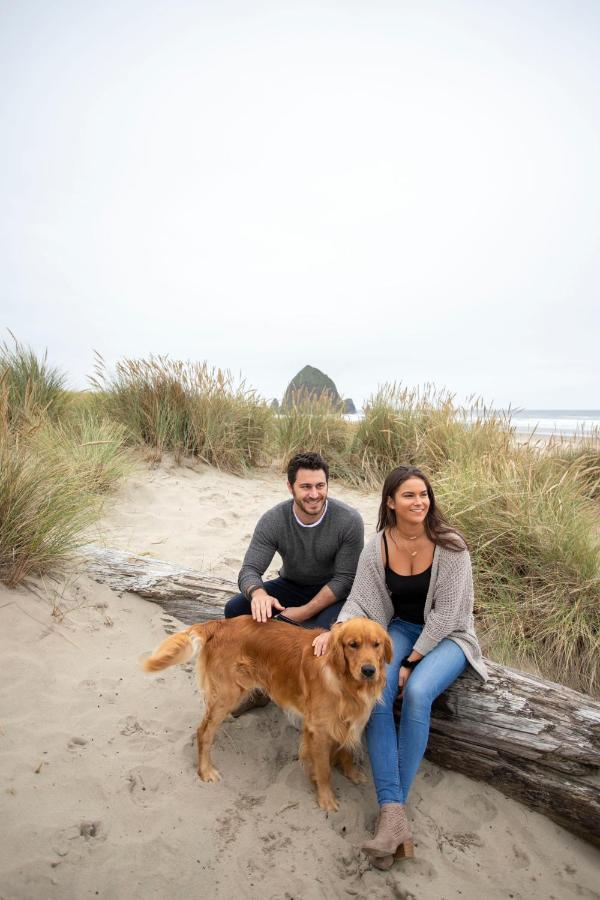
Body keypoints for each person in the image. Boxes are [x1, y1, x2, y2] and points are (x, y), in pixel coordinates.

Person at [313, 465, 488, 869]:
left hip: (449, 636)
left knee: (419, 693)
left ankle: (391, 816)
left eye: (424, 494)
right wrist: (335, 629)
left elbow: (448, 615)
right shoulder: (378, 546)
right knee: (376, 696)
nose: (419, 502)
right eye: (409, 495)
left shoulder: (452, 545)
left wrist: (410, 661)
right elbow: (360, 599)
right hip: (401, 628)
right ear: (390, 501)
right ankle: (396, 819)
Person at [224, 451, 364, 712]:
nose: (314, 494)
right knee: (234, 610)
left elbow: (346, 579)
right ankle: (258, 686)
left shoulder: (349, 521)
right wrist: (258, 594)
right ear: (290, 487)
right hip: (291, 584)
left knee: (322, 638)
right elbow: (250, 569)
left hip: (334, 593)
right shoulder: (274, 519)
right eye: (306, 486)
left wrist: (302, 613)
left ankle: (319, 701)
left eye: (320, 486)